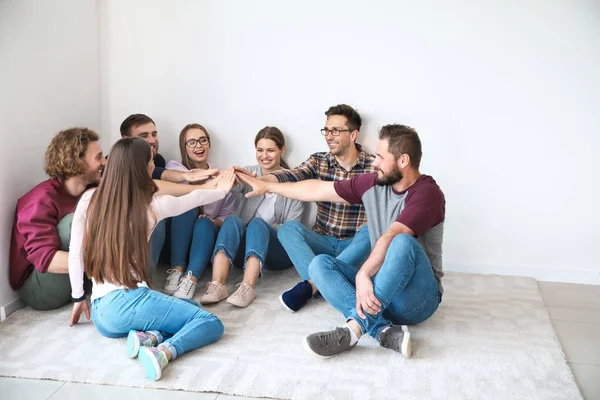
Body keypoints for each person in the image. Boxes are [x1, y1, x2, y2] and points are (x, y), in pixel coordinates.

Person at [237, 124, 445, 359]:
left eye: (380, 157)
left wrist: (363, 274)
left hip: (417, 300)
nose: (374, 162)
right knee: (319, 265)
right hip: (380, 297)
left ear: (403, 160)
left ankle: (352, 330)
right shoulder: (374, 183)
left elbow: (391, 235)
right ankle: (381, 329)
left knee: (402, 242)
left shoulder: (427, 193)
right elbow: (317, 189)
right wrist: (269, 186)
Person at [68, 137, 237, 380]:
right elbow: (196, 199)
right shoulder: (151, 206)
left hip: (100, 313)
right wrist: (222, 188)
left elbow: (76, 253)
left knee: (188, 307)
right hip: (129, 302)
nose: (152, 165)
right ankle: (163, 352)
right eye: (150, 161)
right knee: (209, 322)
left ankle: (149, 336)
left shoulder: (88, 199)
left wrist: (77, 297)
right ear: (141, 167)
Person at [238, 104, 375, 312]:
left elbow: (388, 207)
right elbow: (291, 175)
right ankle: (324, 283)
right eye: (326, 130)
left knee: (372, 229)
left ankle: (312, 286)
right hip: (322, 241)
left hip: (354, 245)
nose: (329, 136)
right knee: (288, 228)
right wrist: (263, 180)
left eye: (336, 130)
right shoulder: (319, 161)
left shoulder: (374, 167)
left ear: (353, 134)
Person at [198, 127, 304, 307]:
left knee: (257, 224)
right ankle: (218, 284)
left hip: (277, 252)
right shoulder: (250, 173)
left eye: (270, 150)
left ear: (282, 150)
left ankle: (248, 287)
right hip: (243, 252)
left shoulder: (293, 182)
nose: (265, 156)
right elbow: (233, 185)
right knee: (232, 220)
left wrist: (261, 231)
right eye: (260, 150)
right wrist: (233, 176)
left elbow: (291, 229)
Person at [9, 128, 105, 310]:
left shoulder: (91, 188)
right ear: (77, 162)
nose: (104, 162)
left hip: (76, 274)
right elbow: (47, 259)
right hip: (39, 286)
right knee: (74, 222)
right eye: (98, 157)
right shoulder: (41, 200)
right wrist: (107, 262)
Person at [120, 114, 219, 269]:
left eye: (154, 134)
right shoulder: (117, 161)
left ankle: (179, 271)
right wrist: (197, 182)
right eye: (144, 136)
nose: (152, 140)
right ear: (126, 139)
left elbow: (159, 175)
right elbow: (150, 185)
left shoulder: (157, 160)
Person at [162, 124, 236, 299]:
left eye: (203, 140)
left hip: (203, 241)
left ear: (209, 144)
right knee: (187, 206)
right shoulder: (174, 169)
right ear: (184, 147)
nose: (199, 146)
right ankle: (177, 269)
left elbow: (227, 218)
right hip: (176, 240)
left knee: (204, 222)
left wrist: (210, 220)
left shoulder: (223, 178)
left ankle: (191, 279)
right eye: (192, 142)